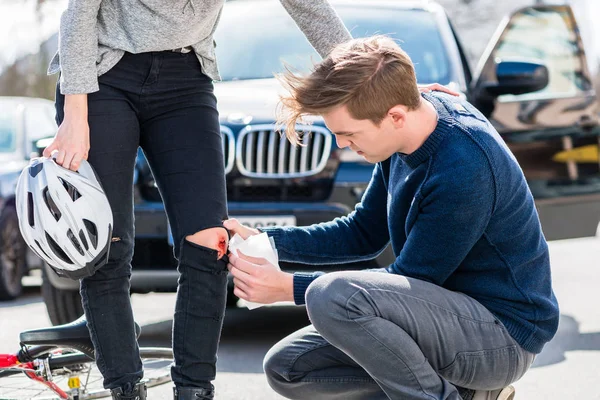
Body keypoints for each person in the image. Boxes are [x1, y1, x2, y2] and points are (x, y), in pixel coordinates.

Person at [44, 1, 354, 399]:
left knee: (210, 244)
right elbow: (80, 11)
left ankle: (194, 390)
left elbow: (309, 8)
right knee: (109, 247)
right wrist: (75, 114)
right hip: (104, 76)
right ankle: (125, 388)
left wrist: (384, 78)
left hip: (185, 78)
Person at [224, 35, 559, 400]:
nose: (340, 144)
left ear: (396, 116)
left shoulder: (463, 167)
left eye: (348, 134)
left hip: (500, 338)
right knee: (289, 368)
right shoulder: (404, 127)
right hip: (440, 322)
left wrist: (289, 287)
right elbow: (362, 233)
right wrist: (266, 240)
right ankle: (469, 395)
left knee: (331, 295)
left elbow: (412, 280)